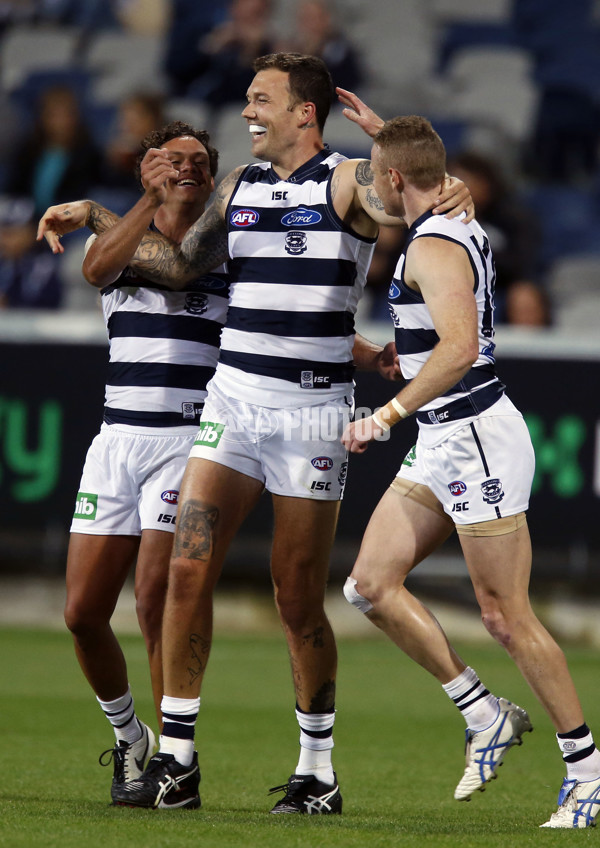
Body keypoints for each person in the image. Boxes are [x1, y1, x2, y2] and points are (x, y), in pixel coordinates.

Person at [38, 52, 473, 814]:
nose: (247, 110)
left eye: (260, 99)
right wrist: (97, 213)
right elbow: (175, 267)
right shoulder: (237, 186)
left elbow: (414, 208)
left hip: (308, 412)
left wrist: (431, 173)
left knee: (296, 597)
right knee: (185, 572)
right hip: (232, 402)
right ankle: (176, 758)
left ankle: (317, 771)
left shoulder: (343, 181)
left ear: (304, 112)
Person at [336, 90, 600, 829]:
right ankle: (484, 713)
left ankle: (587, 771)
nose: (370, 189)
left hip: (475, 433)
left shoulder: (432, 242)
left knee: (505, 616)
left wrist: (384, 415)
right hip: (445, 434)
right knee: (368, 584)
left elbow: (456, 349)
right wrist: (386, 134)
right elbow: (422, 173)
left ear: (392, 180)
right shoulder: (453, 211)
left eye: (374, 175)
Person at [59, 121, 229, 805]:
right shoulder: (124, 247)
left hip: (188, 444)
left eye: (197, 162)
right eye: (170, 160)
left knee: (158, 599)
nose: (185, 169)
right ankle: (131, 738)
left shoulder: (228, 257)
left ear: (213, 177)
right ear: (147, 168)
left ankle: (174, 765)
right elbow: (95, 268)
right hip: (116, 443)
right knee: (81, 614)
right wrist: (131, 205)